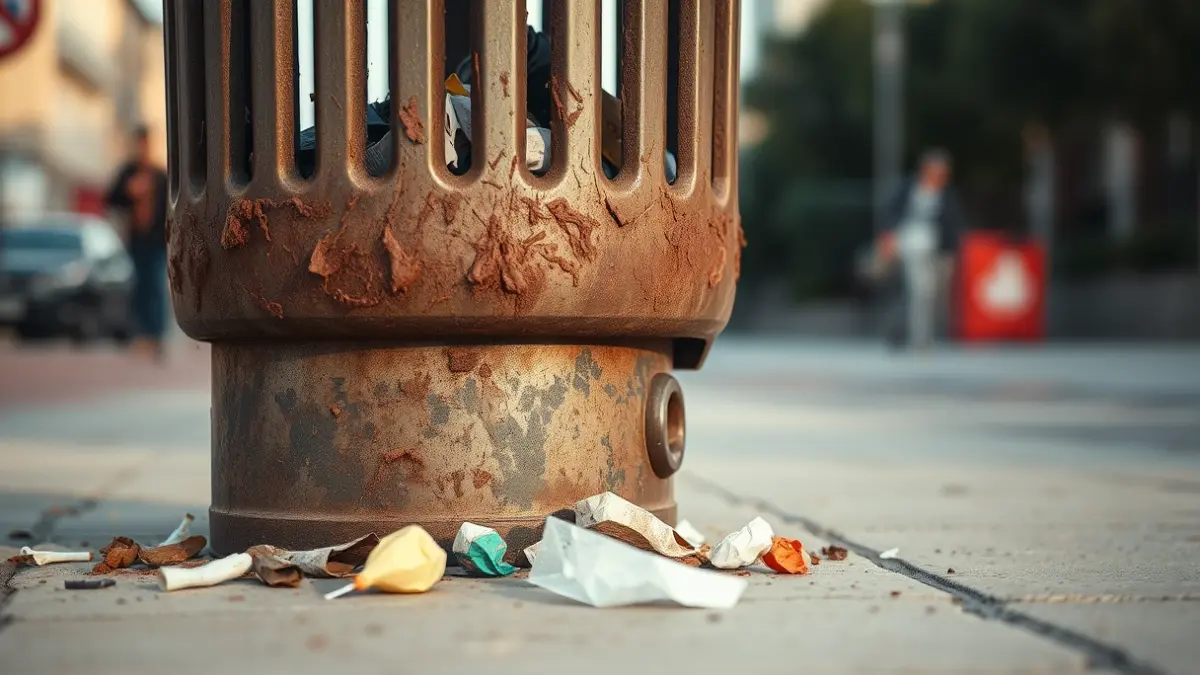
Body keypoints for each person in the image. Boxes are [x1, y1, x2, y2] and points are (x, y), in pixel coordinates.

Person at [878, 149, 963, 350]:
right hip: (909, 245)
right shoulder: (908, 188)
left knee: (929, 295)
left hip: (936, 250)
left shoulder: (947, 196)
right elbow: (890, 212)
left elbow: (952, 227)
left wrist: (951, 253)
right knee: (918, 290)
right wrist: (888, 237)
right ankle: (918, 338)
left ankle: (920, 335)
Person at [106, 125, 169, 362]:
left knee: (155, 284)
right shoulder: (128, 172)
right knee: (139, 285)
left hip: (156, 240)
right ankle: (142, 334)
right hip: (135, 239)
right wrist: (128, 191)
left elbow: (169, 207)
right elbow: (111, 199)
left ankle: (156, 335)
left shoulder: (159, 175)